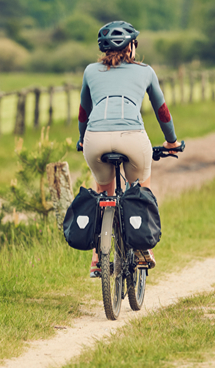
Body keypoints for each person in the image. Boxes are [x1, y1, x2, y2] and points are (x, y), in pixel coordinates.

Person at [78, 20, 181, 276]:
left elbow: (83, 112)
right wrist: (172, 142)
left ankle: (96, 258)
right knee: (140, 189)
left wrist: (82, 140)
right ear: (131, 47)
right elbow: (162, 111)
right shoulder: (145, 71)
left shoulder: (90, 71)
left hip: (95, 138)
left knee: (103, 191)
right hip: (132, 137)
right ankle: (142, 247)